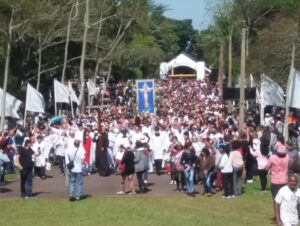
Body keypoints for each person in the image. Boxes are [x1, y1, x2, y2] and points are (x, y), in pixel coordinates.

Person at [266, 146, 289, 222]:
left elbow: (267, 168)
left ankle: (277, 218)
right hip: (285, 181)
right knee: (284, 200)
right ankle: (283, 216)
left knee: (276, 201)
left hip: (275, 181)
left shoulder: (272, 157)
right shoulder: (287, 157)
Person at [65, 135, 85, 201]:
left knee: (72, 182)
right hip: (79, 169)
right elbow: (82, 161)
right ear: (78, 144)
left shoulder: (69, 150)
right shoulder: (81, 151)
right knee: (79, 182)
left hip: (72, 168)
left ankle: (71, 194)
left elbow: (67, 157)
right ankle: (78, 196)